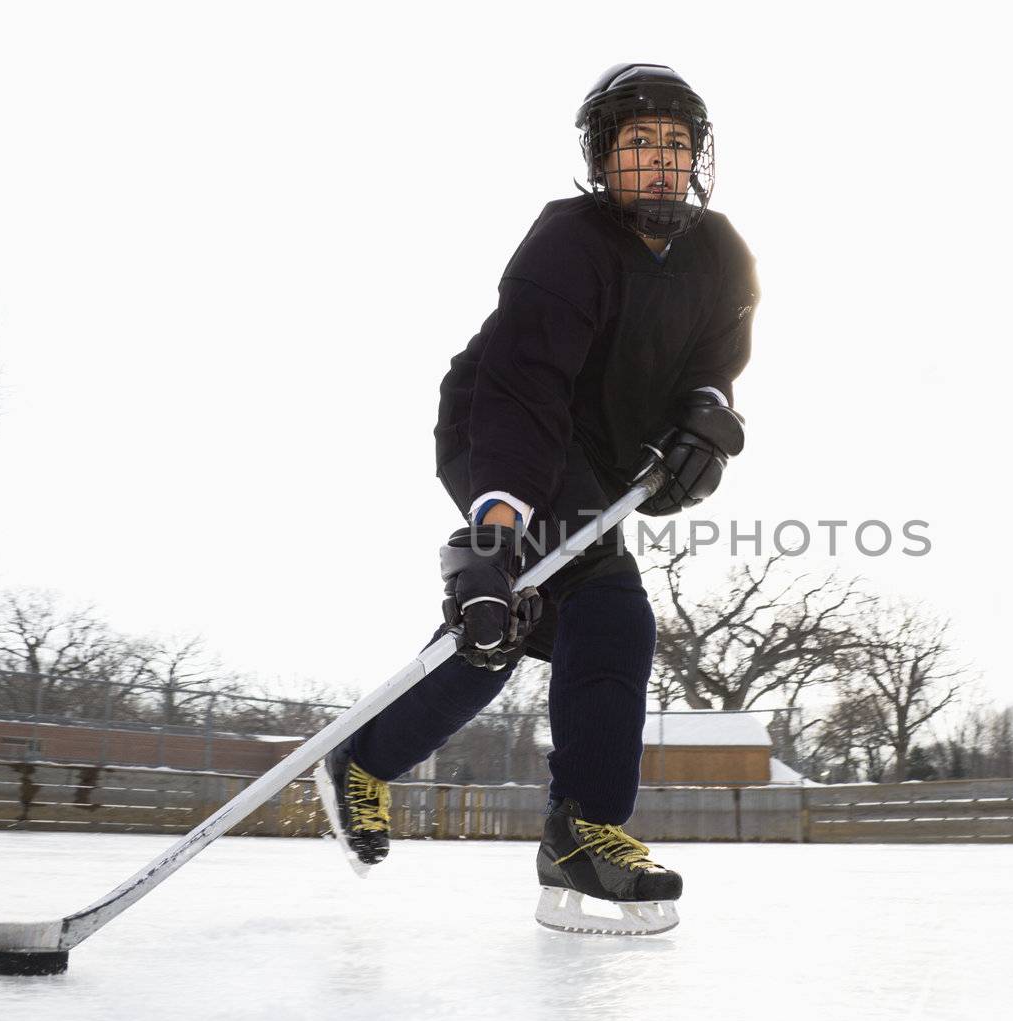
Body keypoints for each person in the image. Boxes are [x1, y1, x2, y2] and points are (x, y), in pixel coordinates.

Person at [316, 63, 757, 935]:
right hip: (505, 428)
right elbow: (521, 386)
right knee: (612, 607)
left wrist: (708, 415)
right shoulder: (569, 241)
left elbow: (714, 364)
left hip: (600, 455)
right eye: (639, 145)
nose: (661, 163)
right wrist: (498, 530)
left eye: (677, 145)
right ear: (602, 159)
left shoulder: (722, 253)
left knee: (500, 637)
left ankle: (362, 759)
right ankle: (583, 830)